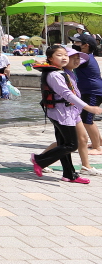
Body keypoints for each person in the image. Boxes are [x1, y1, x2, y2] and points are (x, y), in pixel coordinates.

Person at [31, 45, 102, 184]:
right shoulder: (54, 74)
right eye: (60, 55)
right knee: (71, 144)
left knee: (65, 143)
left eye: (65, 55)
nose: (64, 58)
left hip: (69, 111)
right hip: (61, 113)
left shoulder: (64, 72)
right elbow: (67, 94)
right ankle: (39, 160)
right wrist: (88, 107)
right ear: (50, 58)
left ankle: (69, 174)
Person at [72, 33, 102, 162]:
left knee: (87, 119)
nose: (74, 45)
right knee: (87, 118)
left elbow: (68, 63)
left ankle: (98, 147)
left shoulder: (84, 58)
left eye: (77, 43)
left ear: (86, 46)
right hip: (89, 91)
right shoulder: (86, 56)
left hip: (93, 91)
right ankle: (99, 143)